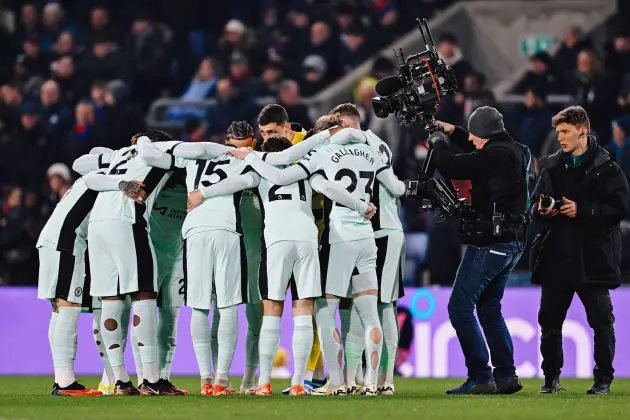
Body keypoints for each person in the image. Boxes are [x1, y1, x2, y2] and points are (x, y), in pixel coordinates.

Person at [231, 128, 406, 396]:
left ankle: (308, 382)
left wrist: (248, 157)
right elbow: (387, 188)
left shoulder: (300, 161)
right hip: (344, 239)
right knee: (357, 314)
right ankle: (358, 382)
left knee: (304, 312)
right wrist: (364, 206)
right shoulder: (366, 154)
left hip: (317, 240)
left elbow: (270, 177)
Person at [528, 106, 629, 395]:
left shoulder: (609, 168)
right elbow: (533, 206)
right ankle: (551, 379)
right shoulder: (550, 166)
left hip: (593, 257)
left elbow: (621, 209)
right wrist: (542, 210)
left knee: (601, 322)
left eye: (564, 132)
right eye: (558, 131)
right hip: (557, 257)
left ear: (582, 131)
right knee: (549, 323)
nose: (559, 137)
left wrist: (583, 210)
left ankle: (603, 380)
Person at [431, 106, 531, 395]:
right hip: (511, 241)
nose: (471, 140)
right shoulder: (516, 150)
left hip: (490, 242)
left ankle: (480, 376)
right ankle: (506, 376)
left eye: (474, 135)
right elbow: (481, 154)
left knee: (459, 308)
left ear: (485, 134)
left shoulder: (496, 156)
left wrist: (438, 142)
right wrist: (454, 131)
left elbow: (453, 166)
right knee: (489, 309)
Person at [83, 130, 184, 396]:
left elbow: (88, 175)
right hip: (127, 220)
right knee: (144, 296)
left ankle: (120, 381)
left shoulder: (118, 155)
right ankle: (151, 379)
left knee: (111, 300)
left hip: (98, 225)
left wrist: (119, 182)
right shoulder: (160, 153)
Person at [328, 103, 405, 395]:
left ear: (346, 124)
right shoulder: (379, 144)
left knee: (382, 304)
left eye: (336, 127)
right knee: (369, 305)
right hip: (379, 231)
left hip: (379, 230)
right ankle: (361, 377)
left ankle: (384, 379)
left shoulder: (360, 146)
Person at [36, 152, 118, 396]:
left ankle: (61, 378)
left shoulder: (86, 179)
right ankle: (66, 383)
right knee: (69, 308)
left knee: (59, 311)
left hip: (51, 240)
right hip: (67, 243)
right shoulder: (104, 179)